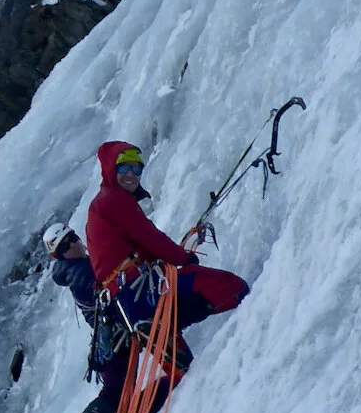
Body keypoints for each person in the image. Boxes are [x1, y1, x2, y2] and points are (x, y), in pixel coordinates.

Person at [40, 223, 171, 413]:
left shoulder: (76, 268)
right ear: (60, 255)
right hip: (115, 339)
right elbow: (108, 291)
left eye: (73, 238)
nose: (74, 244)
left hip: (111, 341)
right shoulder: (79, 272)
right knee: (114, 394)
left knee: (118, 392)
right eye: (66, 246)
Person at [85, 141, 249, 340]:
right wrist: (184, 258)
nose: (131, 174)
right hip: (139, 291)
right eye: (124, 167)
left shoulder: (103, 203)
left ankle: (165, 328)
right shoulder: (114, 200)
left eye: (136, 169)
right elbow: (149, 237)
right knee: (233, 287)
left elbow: (137, 246)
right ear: (111, 170)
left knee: (180, 367)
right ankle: (170, 325)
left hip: (125, 300)